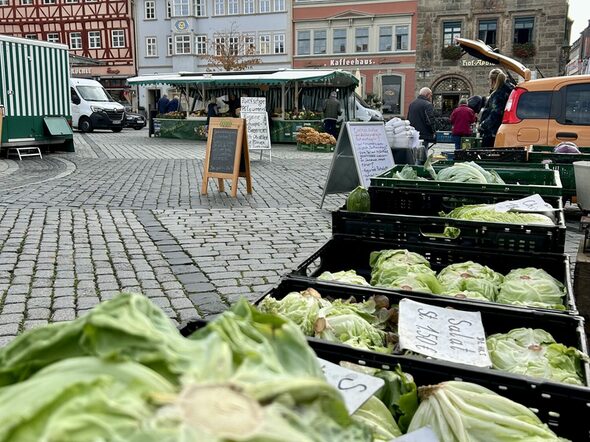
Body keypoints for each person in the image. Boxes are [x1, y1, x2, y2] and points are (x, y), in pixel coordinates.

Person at [479, 68, 513, 147]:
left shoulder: (498, 94)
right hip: (501, 130)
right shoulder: (508, 90)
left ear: (492, 80)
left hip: (493, 132)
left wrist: (483, 125)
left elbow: (496, 113)